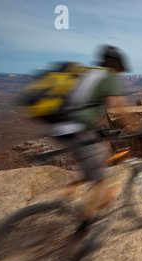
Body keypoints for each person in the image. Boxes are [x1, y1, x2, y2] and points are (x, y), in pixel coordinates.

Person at [52, 45, 133, 239]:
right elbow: (120, 107)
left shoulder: (89, 73)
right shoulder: (108, 76)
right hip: (76, 130)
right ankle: (81, 233)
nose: (120, 73)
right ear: (114, 64)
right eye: (120, 69)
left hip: (59, 126)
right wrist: (136, 127)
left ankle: (72, 198)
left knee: (95, 164)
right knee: (103, 184)